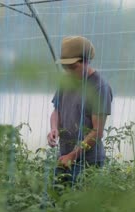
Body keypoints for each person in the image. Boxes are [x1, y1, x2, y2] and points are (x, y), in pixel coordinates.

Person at [48, 36, 113, 185]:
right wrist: (54, 129)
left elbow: (97, 132)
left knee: (78, 206)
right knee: (57, 204)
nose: (68, 72)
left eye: (72, 67)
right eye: (65, 67)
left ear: (86, 61)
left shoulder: (99, 87)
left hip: (87, 163)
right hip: (64, 157)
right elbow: (56, 110)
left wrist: (73, 155)